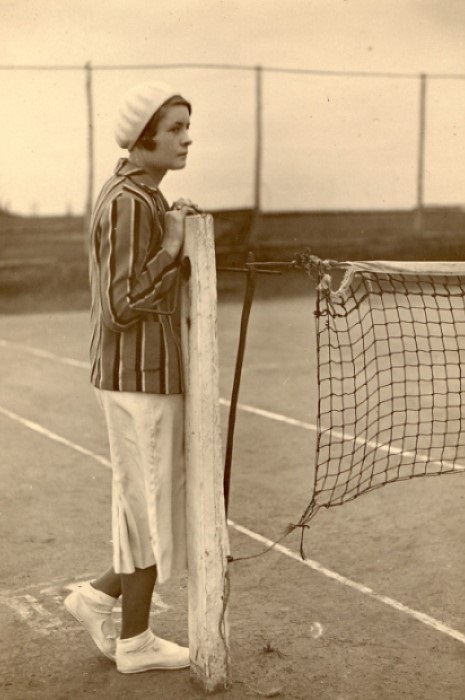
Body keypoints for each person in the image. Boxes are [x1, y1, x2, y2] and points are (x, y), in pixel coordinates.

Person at [65, 81, 200, 674]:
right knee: (148, 508)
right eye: (174, 128)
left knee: (143, 507)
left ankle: (96, 599)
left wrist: (172, 231)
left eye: (186, 126)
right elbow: (121, 305)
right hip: (136, 377)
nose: (186, 138)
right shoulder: (128, 201)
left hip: (146, 373)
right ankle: (136, 640)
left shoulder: (142, 195)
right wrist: (172, 248)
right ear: (143, 137)